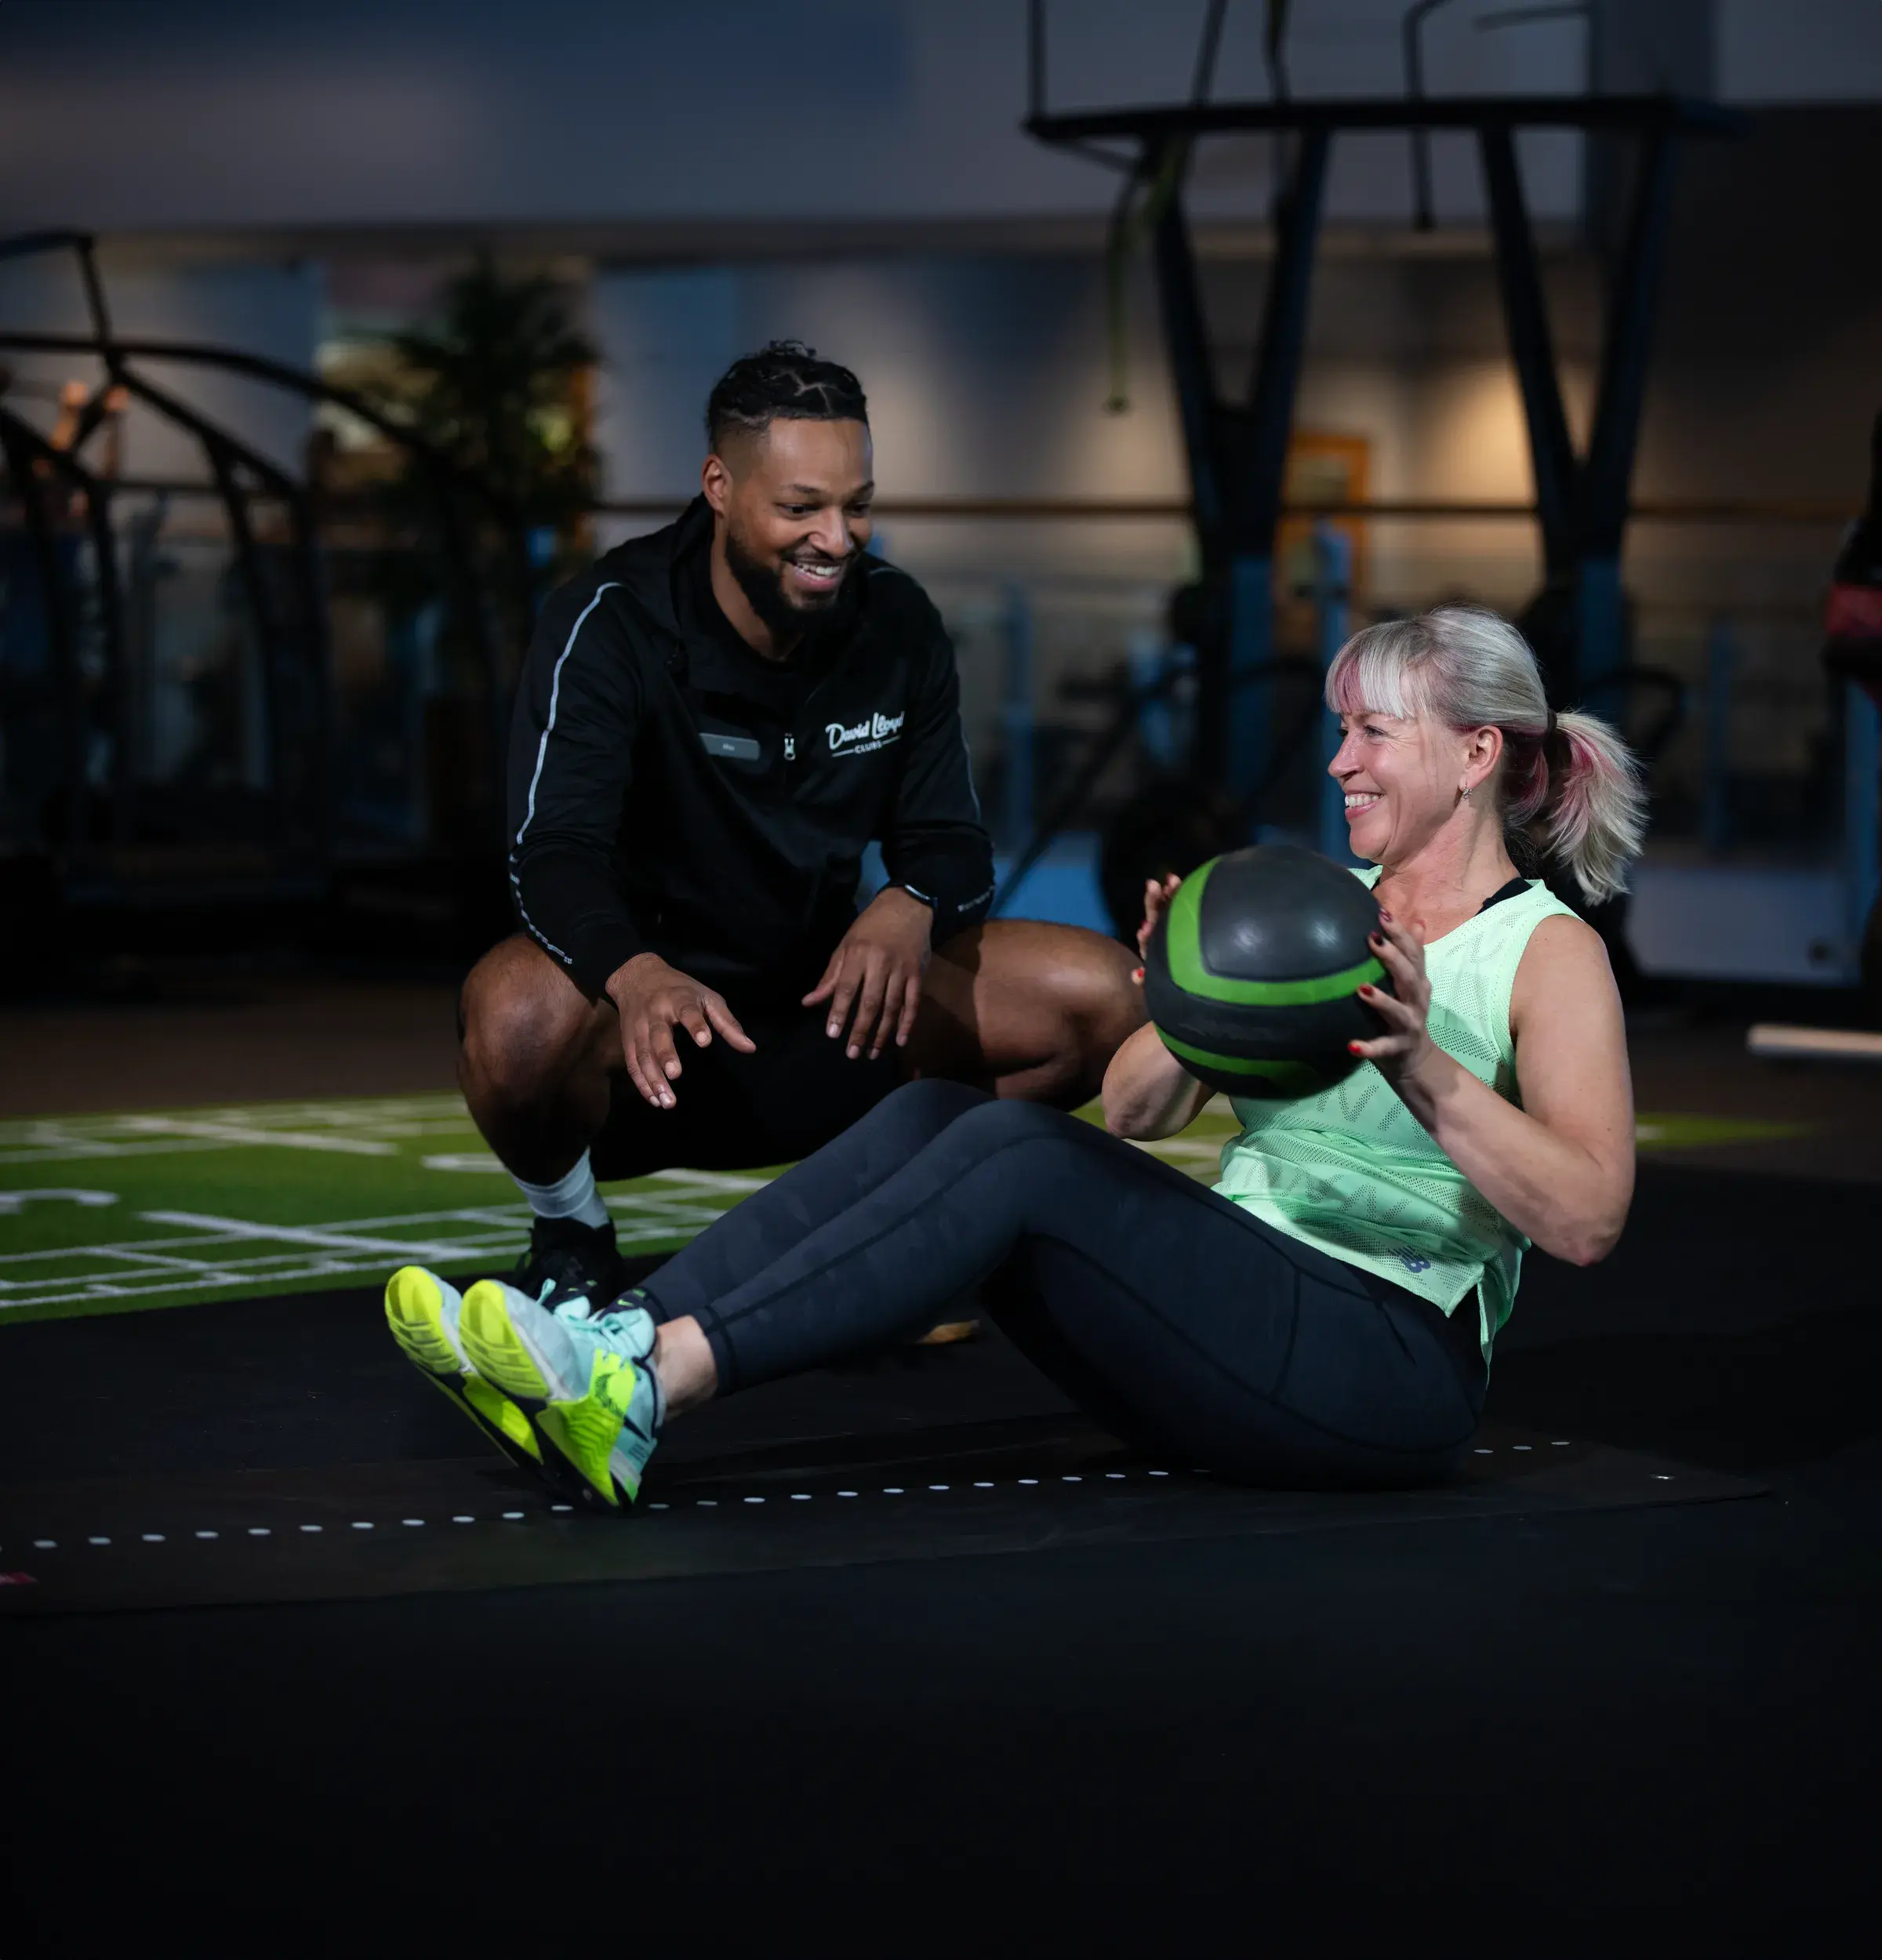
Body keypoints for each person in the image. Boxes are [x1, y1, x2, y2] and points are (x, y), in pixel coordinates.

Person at [392, 604, 1644, 1502]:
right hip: (1236, 1318)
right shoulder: (1325, 911)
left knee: (1021, 1154)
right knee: (947, 1116)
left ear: (1476, 753)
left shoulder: (1546, 952)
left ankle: (651, 1388)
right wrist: (1186, 1006)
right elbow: (1137, 1114)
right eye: (1341, 731)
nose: (1340, 762)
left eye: (1371, 733)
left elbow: (1587, 1221)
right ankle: (607, 1341)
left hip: (1385, 1365)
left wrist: (1421, 1066)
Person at [463, 340, 1141, 1309]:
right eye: (801, 508)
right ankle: (573, 1237)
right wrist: (634, 970)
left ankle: (887, 1224)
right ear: (720, 488)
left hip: (835, 1016)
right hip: (654, 1038)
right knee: (515, 1016)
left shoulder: (897, 620)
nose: (838, 536)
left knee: (1106, 997)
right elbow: (552, 853)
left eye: (857, 504)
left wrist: (909, 903)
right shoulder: (609, 622)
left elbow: (951, 840)